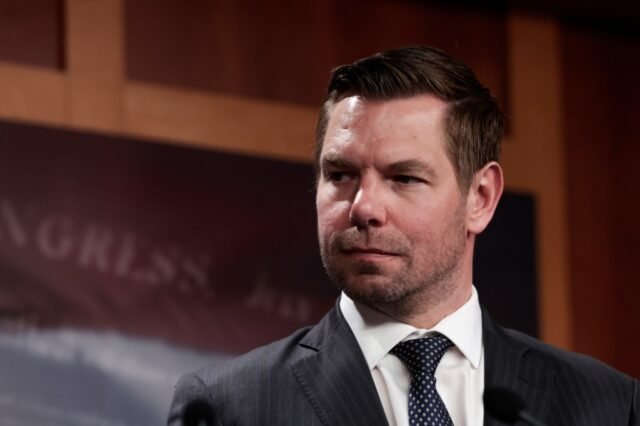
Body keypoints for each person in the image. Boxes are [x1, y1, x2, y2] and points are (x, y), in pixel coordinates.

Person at [168, 46, 639, 426]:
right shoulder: (230, 407)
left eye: (404, 178)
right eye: (340, 175)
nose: (364, 207)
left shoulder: (610, 406)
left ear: (480, 198)